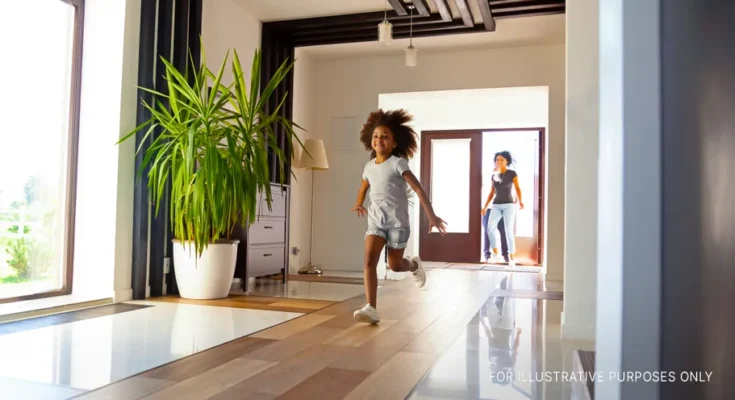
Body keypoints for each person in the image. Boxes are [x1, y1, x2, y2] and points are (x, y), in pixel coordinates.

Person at [350, 109, 447, 324]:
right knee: (368, 261)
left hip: (398, 223)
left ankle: (413, 265)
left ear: (394, 143)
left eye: (385, 136)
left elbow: (419, 190)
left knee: (394, 266)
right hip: (376, 221)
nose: (379, 139)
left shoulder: (398, 163)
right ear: (370, 141)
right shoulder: (368, 167)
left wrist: (431, 216)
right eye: (376, 136)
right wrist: (358, 203)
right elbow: (363, 187)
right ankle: (372, 308)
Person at [481, 151, 524, 266]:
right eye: (497, 160)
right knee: (490, 228)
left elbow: (518, 188)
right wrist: (485, 206)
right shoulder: (493, 175)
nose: (499, 162)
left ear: (507, 161)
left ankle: (511, 256)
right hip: (496, 205)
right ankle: (495, 253)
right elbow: (491, 192)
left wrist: (520, 201)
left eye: (501, 160)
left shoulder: (512, 173)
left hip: (509, 205)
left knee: (508, 231)